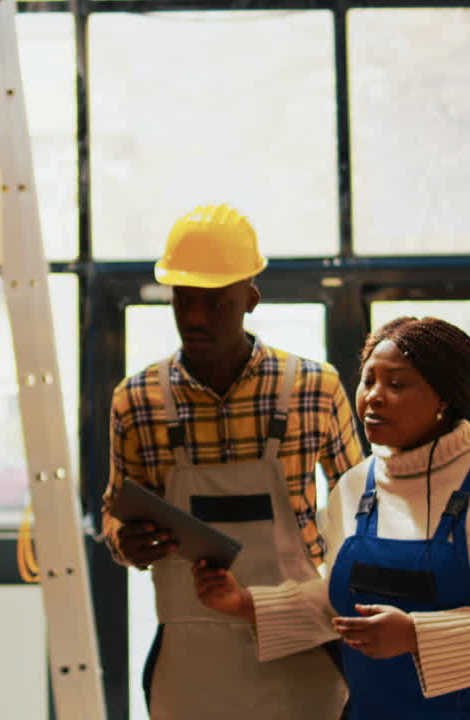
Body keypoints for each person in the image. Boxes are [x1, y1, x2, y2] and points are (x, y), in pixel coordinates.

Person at [192, 316, 470, 719]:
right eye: (368, 380)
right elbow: (341, 606)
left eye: (396, 384)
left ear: (443, 398)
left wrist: (415, 635)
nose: (372, 397)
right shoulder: (355, 488)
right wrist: (244, 603)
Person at [101, 203, 364, 719]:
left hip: (302, 647)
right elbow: (114, 511)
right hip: (189, 658)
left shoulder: (315, 389)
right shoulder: (136, 401)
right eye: (184, 300)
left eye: (214, 302)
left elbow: (363, 514)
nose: (195, 318)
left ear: (250, 298)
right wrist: (124, 541)